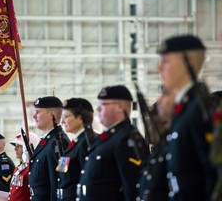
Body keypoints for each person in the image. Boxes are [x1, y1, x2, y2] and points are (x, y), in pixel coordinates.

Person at [158, 34, 216, 201]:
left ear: (188, 62)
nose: (159, 67)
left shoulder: (198, 109)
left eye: (166, 61)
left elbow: (212, 171)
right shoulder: (185, 109)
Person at [77, 85, 149, 201]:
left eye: (103, 105)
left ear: (119, 107)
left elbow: (132, 187)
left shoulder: (126, 139)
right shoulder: (108, 138)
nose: (98, 109)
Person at [138, 87, 177, 201]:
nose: (148, 129)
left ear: (166, 123)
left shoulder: (171, 149)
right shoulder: (157, 151)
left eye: (152, 124)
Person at [29, 96, 70, 201]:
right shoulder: (47, 141)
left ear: (51, 115)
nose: (34, 116)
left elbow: (60, 178)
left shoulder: (59, 141)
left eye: (38, 112)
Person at [56, 98, 96, 201]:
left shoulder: (87, 142)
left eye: (66, 117)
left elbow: (89, 180)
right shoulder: (75, 142)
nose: (62, 121)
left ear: (80, 118)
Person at [0, 131, 40, 201]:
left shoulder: (32, 168)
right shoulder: (18, 168)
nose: (15, 149)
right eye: (15, 146)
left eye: (19, 146)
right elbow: (13, 194)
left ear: (29, 147)